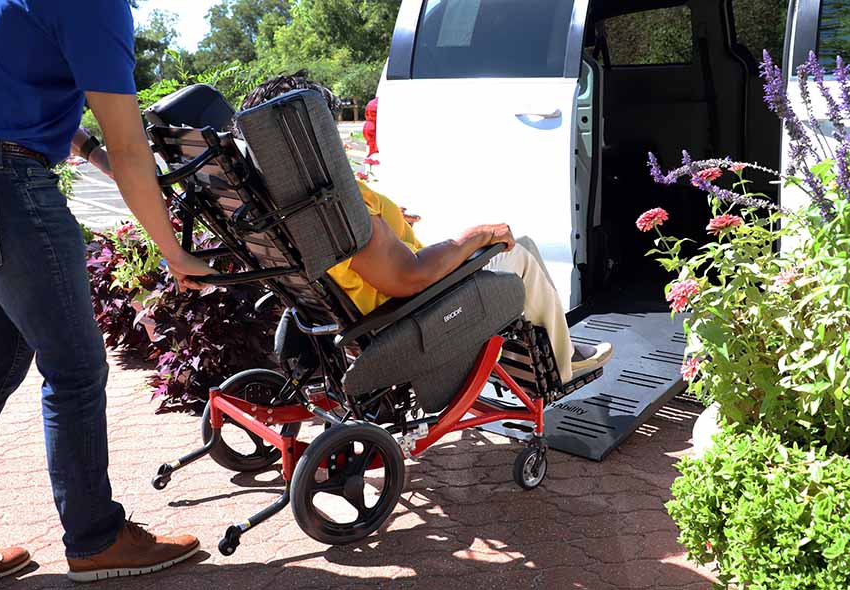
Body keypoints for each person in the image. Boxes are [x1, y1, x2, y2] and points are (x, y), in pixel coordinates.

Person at [0, 1, 214, 584]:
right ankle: (97, 539)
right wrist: (172, 248)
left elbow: (7, 90)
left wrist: (89, 155)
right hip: (9, 185)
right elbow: (132, 143)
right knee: (76, 370)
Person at [235, 76, 614, 382]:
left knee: (510, 248)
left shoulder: (293, 204)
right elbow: (409, 277)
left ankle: (553, 352)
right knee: (517, 250)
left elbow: (364, 254)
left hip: (368, 303)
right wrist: (479, 234)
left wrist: (388, 219)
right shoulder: (340, 214)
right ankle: (562, 366)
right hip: (409, 310)